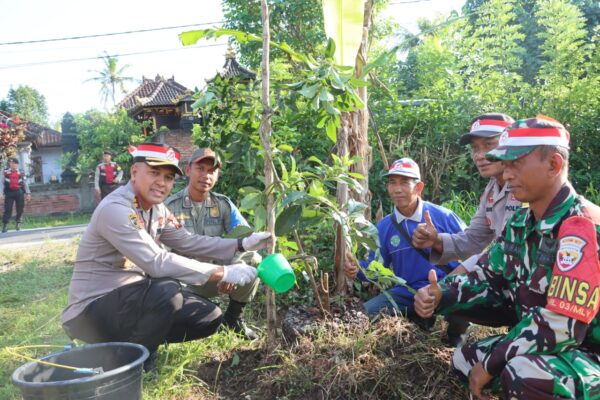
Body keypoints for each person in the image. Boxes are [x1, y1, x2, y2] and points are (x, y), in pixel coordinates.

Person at [415, 116, 600, 399]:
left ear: (554, 165)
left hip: (588, 349)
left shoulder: (582, 226)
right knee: (463, 360)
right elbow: (489, 274)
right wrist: (442, 295)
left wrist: (492, 364)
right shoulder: (521, 223)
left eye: (516, 163)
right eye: (505, 163)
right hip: (551, 344)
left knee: (523, 374)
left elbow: (565, 324)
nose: (507, 173)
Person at [61, 143, 271, 372]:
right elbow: (157, 262)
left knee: (210, 317)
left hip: (133, 301)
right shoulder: (116, 208)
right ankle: (130, 361)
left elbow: (189, 241)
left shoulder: (157, 210)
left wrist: (241, 244)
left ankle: (128, 345)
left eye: (169, 177)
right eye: (154, 173)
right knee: (167, 288)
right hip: (91, 310)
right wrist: (223, 272)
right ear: (134, 173)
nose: (162, 182)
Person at [344, 157, 467, 338]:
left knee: (464, 309)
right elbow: (376, 267)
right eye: (392, 183)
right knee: (364, 315)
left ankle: (455, 341)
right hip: (408, 293)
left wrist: (449, 284)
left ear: (419, 187)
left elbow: (473, 253)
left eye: (404, 183)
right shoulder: (385, 227)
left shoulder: (443, 217)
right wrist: (357, 269)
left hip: (444, 286)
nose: (397, 189)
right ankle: (417, 318)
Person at [165, 147, 261, 340]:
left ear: (217, 175)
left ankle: (233, 319)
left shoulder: (223, 205)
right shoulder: (169, 207)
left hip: (218, 278)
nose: (206, 175)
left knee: (254, 259)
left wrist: (233, 270)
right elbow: (162, 256)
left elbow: (246, 238)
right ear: (188, 170)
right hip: (186, 282)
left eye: (212, 171)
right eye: (200, 168)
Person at [413, 113, 519, 274]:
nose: (479, 155)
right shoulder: (492, 189)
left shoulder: (527, 186)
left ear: (510, 144)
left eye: (489, 144)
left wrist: (457, 277)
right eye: (475, 148)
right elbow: (473, 240)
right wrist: (436, 240)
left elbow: (511, 250)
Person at [1, 157, 31, 233]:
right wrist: (1, 193)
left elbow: (25, 183)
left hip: (19, 192)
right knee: (7, 209)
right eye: (10, 163)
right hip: (9, 192)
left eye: (13, 163)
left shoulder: (21, 172)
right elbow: (1, 183)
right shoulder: (5, 172)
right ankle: (5, 225)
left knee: (20, 209)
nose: (11, 164)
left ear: (17, 164)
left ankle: (18, 224)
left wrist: (28, 193)